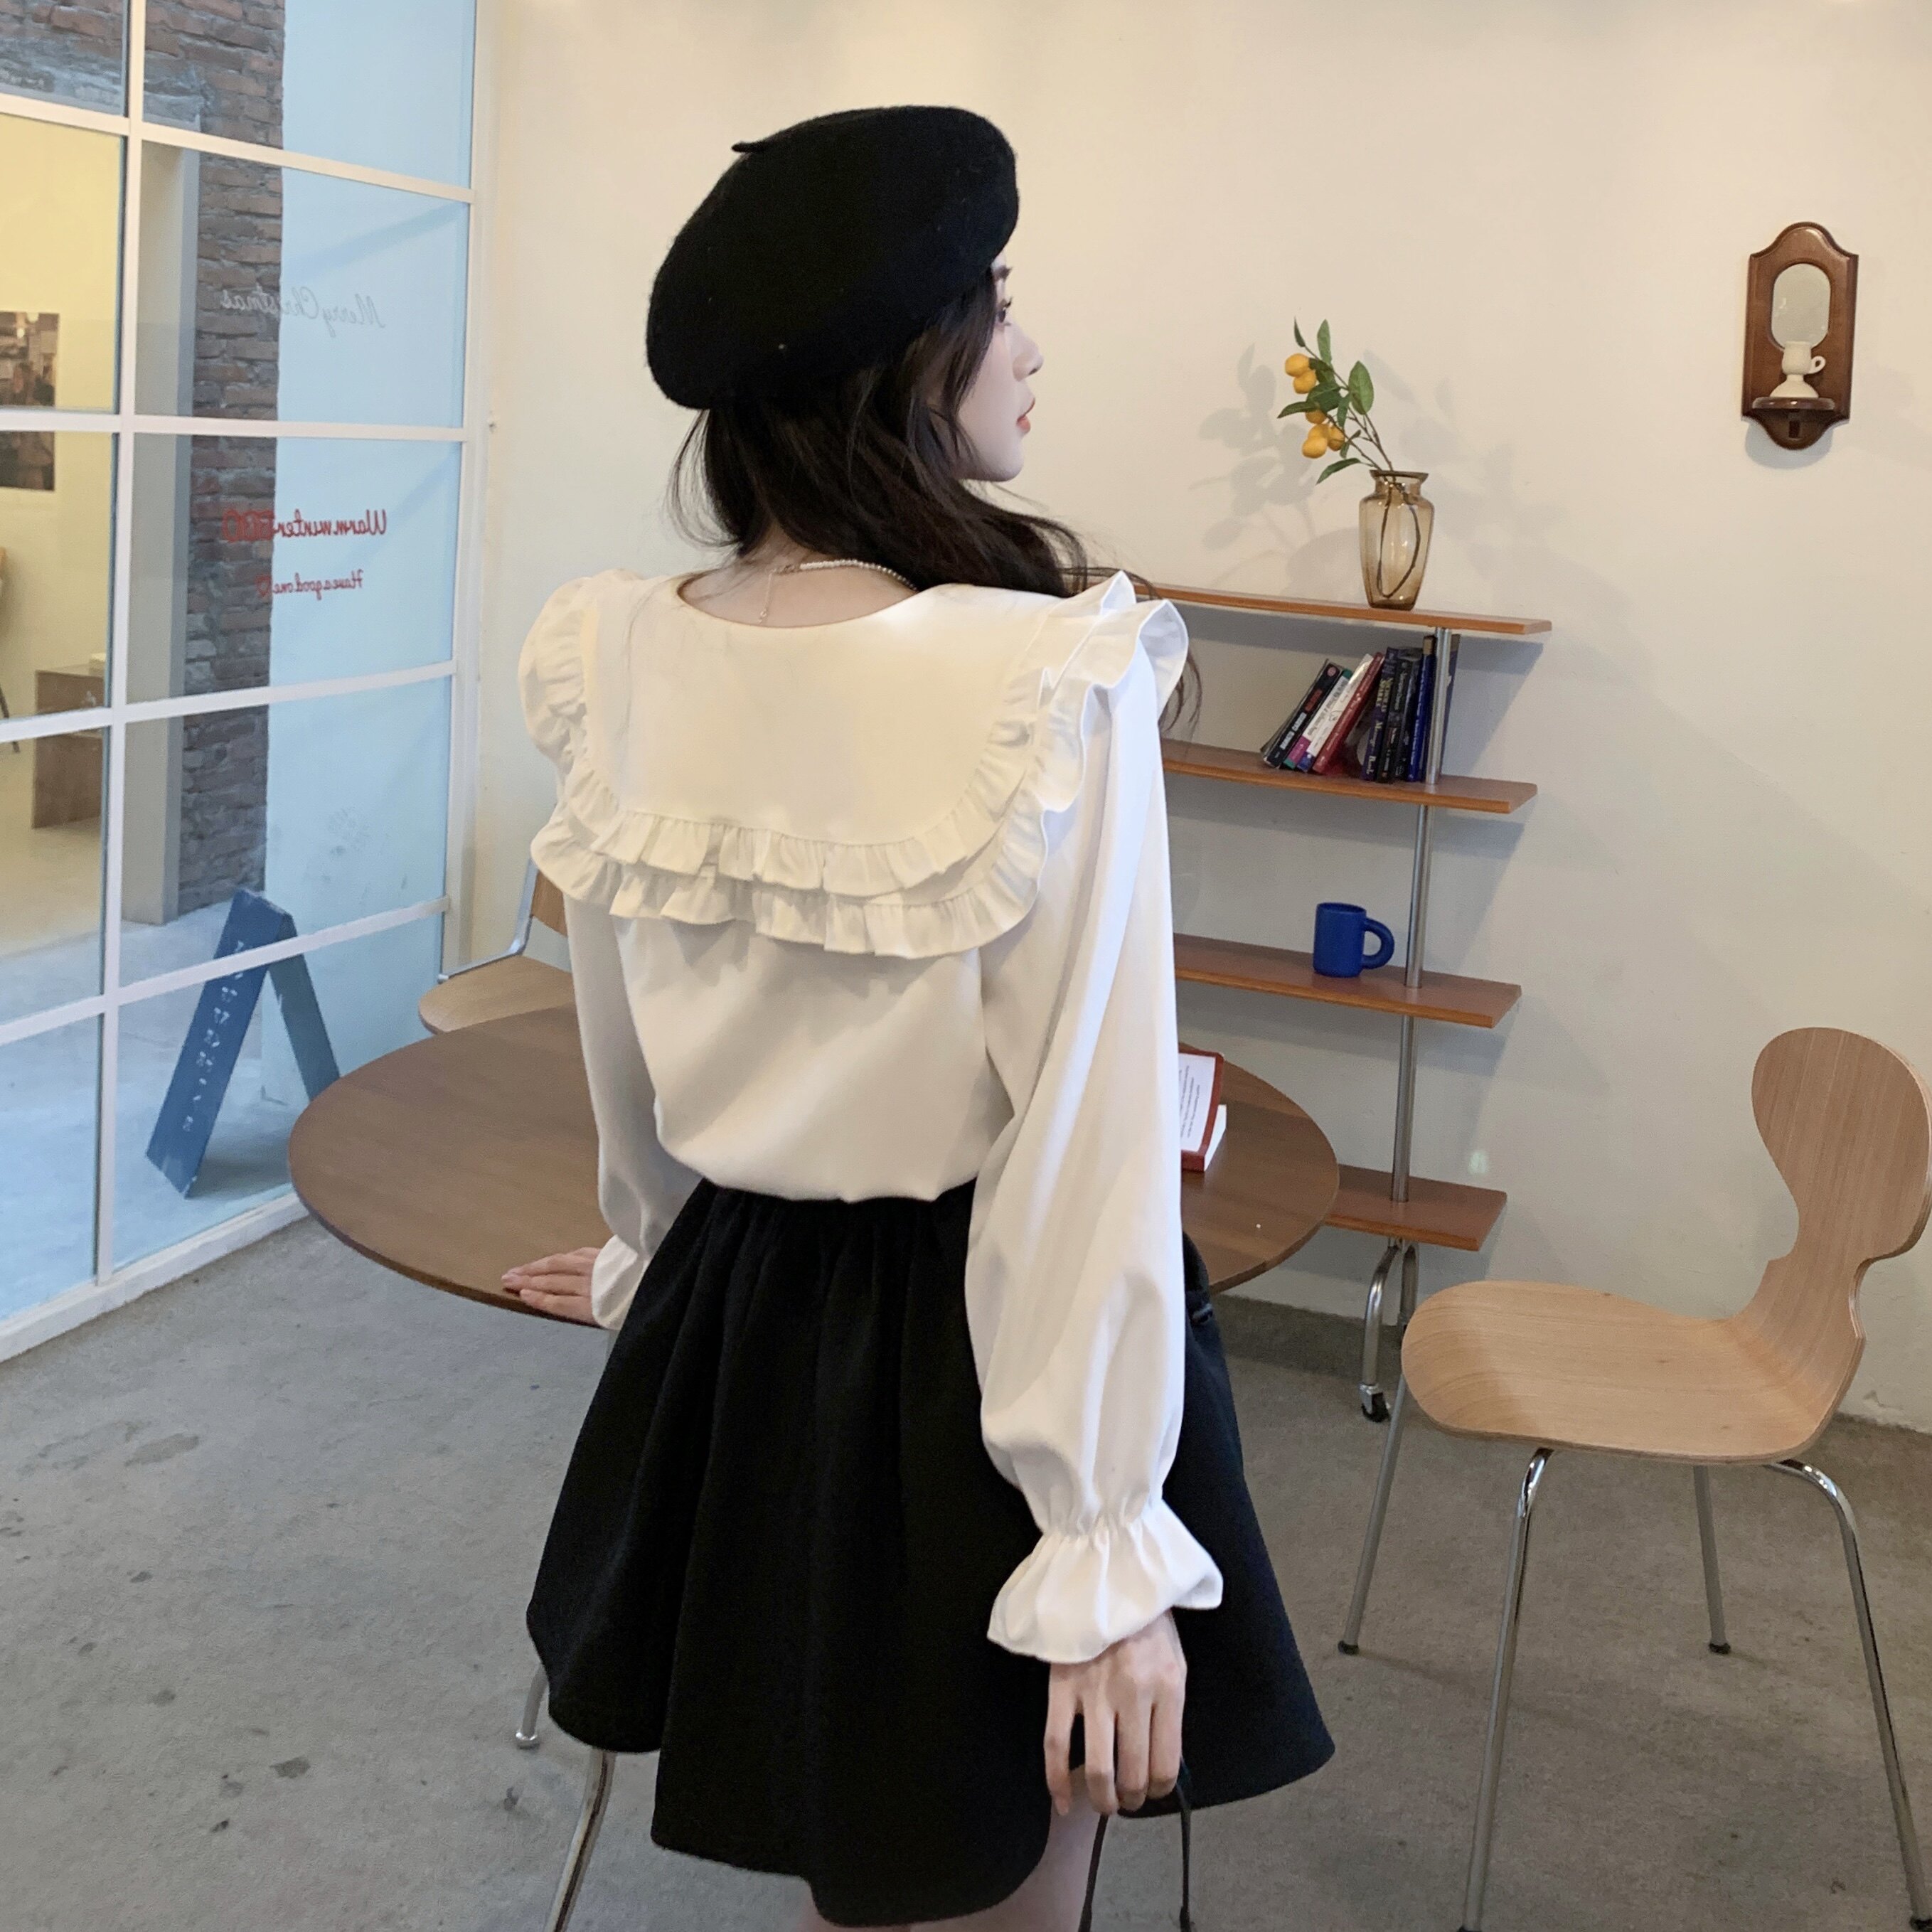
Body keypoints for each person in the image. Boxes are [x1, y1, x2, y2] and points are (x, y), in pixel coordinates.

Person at [501, 105, 1331, 1931]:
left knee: (863, 1851)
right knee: (978, 1873)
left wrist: (655, 1256)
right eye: (998, 304)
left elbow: (619, 1043)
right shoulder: (1045, 672)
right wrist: (1102, 1547)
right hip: (983, 1361)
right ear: (911, 359)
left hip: (745, 1331)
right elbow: (1088, 1131)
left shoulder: (616, 644)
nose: (1028, 349)